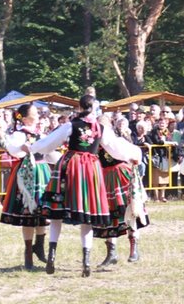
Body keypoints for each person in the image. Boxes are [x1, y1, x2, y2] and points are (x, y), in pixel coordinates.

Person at [28, 95, 141, 277]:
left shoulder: (70, 125)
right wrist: (131, 156)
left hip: (70, 165)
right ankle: (86, 260)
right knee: (87, 214)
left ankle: (52, 255)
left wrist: (33, 148)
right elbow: (115, 148)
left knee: (57, 211)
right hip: (91, 169)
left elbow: (50, 143)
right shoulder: (101, 128)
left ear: (79, 107)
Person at [0, 104, 51, 271]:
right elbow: (12, 149)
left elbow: (49, 152)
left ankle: (40, 246)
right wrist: (21, 148)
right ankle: (28, 253)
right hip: (27, 174)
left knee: (43, 212)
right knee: (28, 213)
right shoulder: (19, 134)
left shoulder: (40, 133)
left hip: (42, 172)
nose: (38, 115)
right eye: (35, 113)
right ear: (26, 117)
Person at [94, 115, 149, 267]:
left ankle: (134, 250)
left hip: (123, 176)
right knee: (109, 216)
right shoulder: (95, 143)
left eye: (102, 125)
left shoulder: (117, 140)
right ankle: (111, 254)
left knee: (132, 210)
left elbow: (135, 154)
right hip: (105, 179)